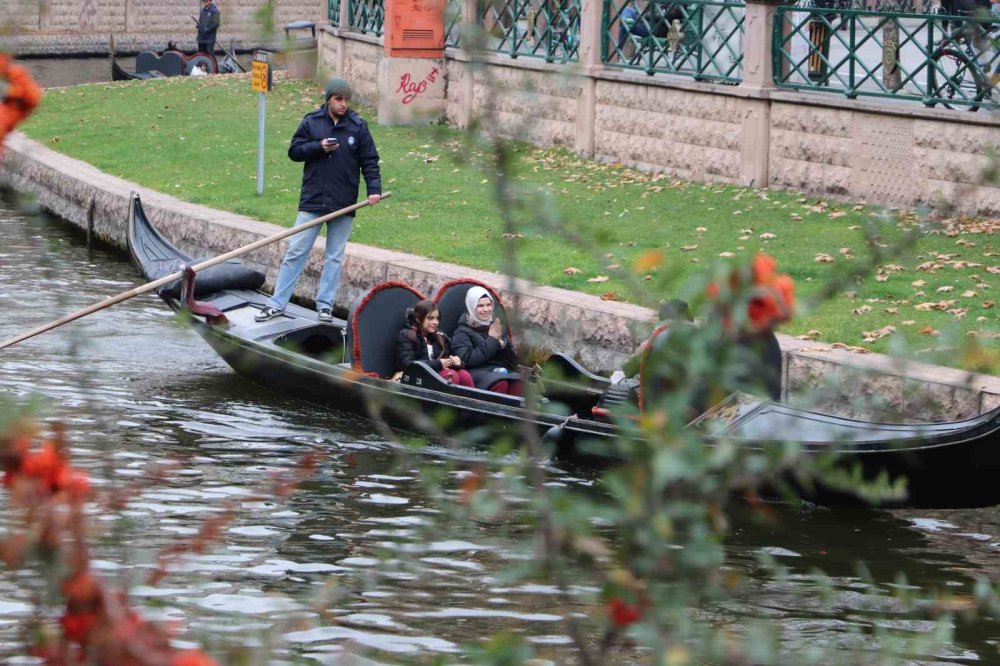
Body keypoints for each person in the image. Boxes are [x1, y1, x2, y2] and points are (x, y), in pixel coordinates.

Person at [255, 78, 382, 323]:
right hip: (313, 200)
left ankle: (325, 306)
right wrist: (318, 147)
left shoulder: (358, 127)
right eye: (338, 99)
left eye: (346, 99)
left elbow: (370, 161)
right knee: (296, 251)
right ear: (328, 99)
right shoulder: (312, 122)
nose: (343, 104)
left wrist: (374, 190)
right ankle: (277, 303)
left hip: (344, 202)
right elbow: (294, 151)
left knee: (334, 256)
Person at [450, 287, 523, 396]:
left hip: (500, 370)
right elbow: (466, 360)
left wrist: (503, 345)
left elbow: (513, 362)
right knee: (500, 383)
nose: (486, 309)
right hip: (477, 371)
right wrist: (492, 341)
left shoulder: (497, 326)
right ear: (472, 307)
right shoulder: (462, 332)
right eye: (480, 306)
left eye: (489, 305)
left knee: (518, 383)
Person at [395, 300, 474, 387]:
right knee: (451, 375)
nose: (435, 322)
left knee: (464, 375)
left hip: (437, 374)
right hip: (416, 379)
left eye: (437, 318)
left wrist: (457, 362)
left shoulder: (440, 337)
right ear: (418, 319)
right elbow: (407, 364)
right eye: (430, 318)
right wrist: (439, 364)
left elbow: (448, 358)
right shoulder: (407, 335)